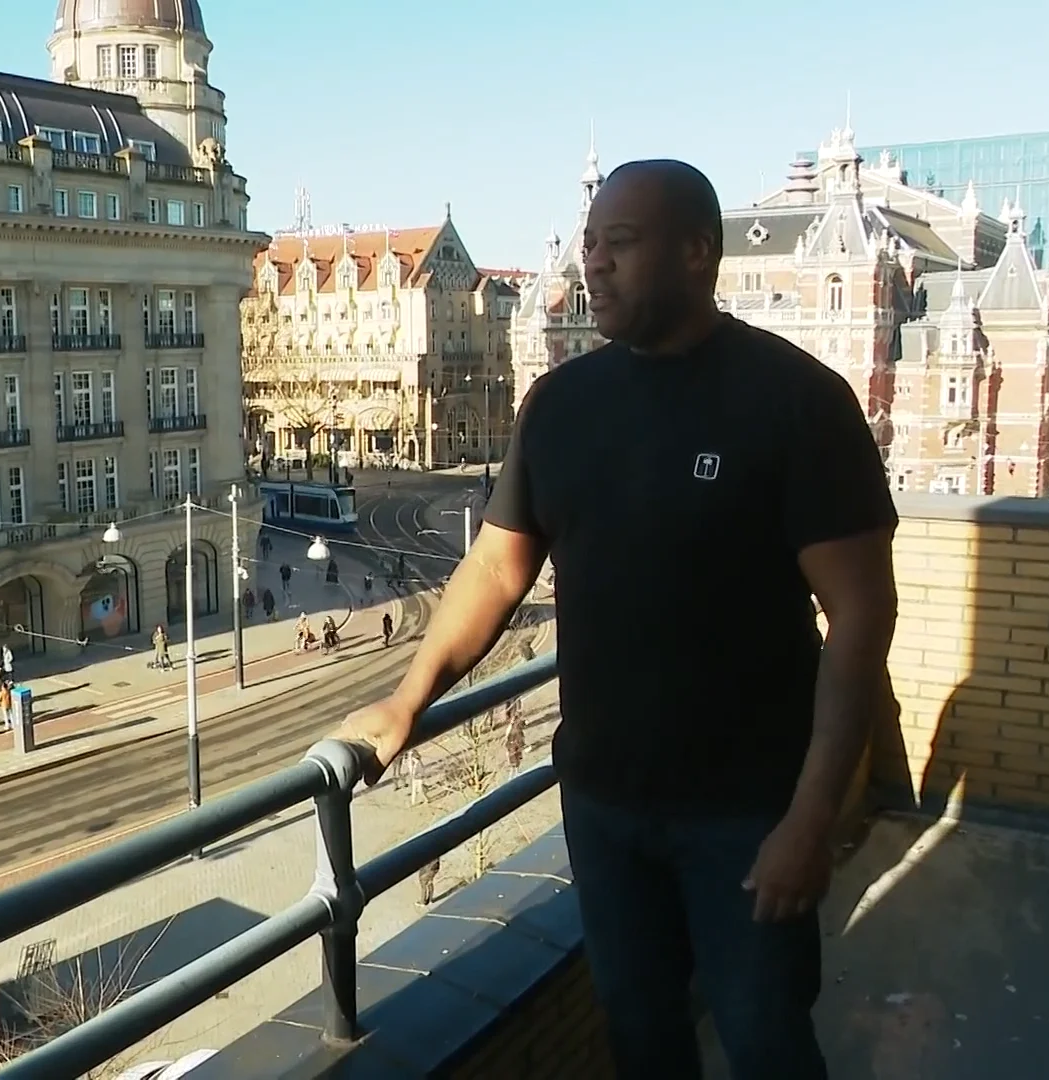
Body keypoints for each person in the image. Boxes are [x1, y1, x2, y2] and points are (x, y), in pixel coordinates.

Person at [336, 160, 898, 1080]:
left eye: (621, 243)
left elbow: (863, 617)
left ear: (697, 252)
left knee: (767, 1044)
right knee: (639, 1038)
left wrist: (809, 816)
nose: (594, 261)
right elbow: (493, 568)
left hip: (749, 815)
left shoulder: (795, 402)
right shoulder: (561, 406)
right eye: (591, 241)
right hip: (604, 807)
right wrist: (406, 702)